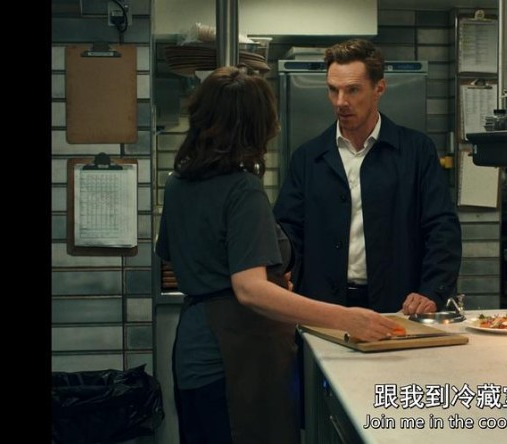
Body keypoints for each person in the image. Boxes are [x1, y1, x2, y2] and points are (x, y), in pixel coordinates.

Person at [155, 65, 401, 444]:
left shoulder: (177, 184)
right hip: (237, 355)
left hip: (192, 349)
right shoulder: (242, 188)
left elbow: (174, 254)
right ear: (255, 126)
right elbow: (250, 289)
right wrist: (346, 318)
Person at [274, 39, 462, 315]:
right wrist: (280, 274)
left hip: (398, 306)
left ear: (379, 89)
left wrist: (432, 290)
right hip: (323, 307)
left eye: (353, 90)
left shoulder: (416, 151)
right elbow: (287, 230)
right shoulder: (308, 157)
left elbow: (442, 228)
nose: (341, 102)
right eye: (333, 90)